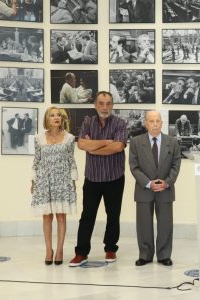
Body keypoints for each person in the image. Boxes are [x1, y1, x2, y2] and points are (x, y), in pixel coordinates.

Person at [69, 91, 128, 267]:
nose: (104, 107)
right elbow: (81, 144)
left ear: (112, 105)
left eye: (108, 103)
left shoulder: (120, 123)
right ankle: (81, 253)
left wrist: (93, 147)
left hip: (114, 177)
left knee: (113, 215)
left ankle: (110, 248)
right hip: (92, 178)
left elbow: (118, 146)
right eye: (101, 103)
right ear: (95, 105)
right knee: (87, 216)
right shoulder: (88, 122)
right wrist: (106, 143)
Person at [129, 111, 181, 266]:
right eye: (151, 121)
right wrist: (148, 183)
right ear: (145, 123)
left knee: (165, 224)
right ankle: (145, 255)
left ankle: (164, 255)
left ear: (162, 123)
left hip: (165, 189)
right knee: (144, 224)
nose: (155, 124)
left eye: (158, 121)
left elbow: (176, 165)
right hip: (144, 189)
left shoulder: (172, 142)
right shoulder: (136, 142)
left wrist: (167, 182)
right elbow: (134, 167)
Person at [31, 107, 77, 265]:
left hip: (63, 180)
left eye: (58, 115)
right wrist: (33, 181)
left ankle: (59, 250)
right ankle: (48, 250)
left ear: (62, 119)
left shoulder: (70, 138)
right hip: (44, 180)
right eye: (52, 115)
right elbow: (36, 160)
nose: (56, 118)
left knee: (61, 216)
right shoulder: (38, 138)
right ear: (47, 119)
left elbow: (71, 161)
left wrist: (73, 181)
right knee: (47, 216)